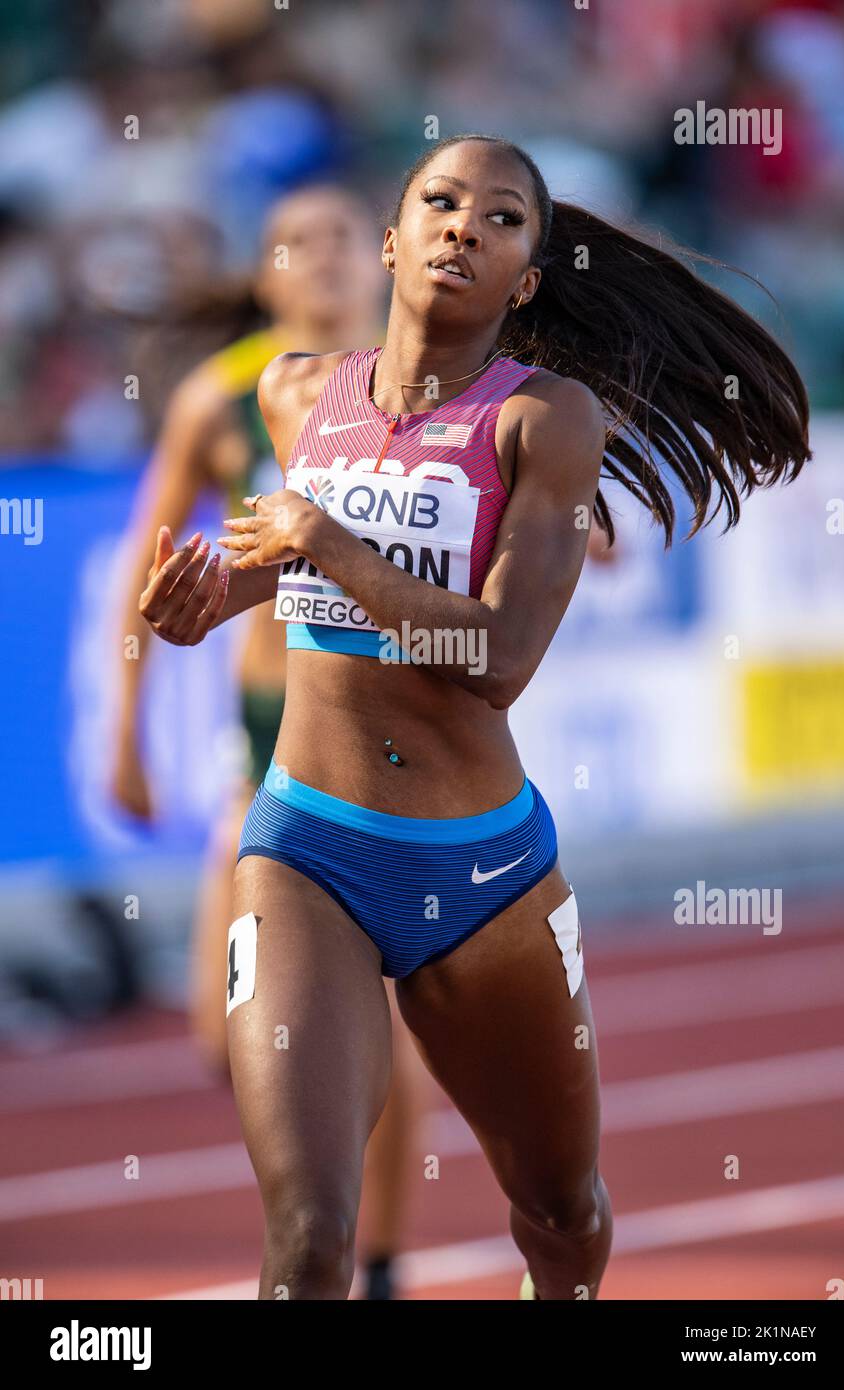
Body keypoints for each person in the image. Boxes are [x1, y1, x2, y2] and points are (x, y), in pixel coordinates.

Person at [137, 133, 810, 1300]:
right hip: (304, 848)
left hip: (481, 873)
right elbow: (278, 572)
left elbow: (493, 658)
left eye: (500, 220)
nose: (462, 227)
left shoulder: (543, 424)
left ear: (526, 279)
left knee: (559, 1213)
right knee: (305, 1239)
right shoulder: (297, 390)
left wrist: (326, 544)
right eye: (439, 204)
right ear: (391, 242)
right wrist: (207, 601)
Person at [113, 184, 420, 1299]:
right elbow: (144, 572)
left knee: (362, 1026)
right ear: (266, 272)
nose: (325, 260)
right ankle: (323, 1207)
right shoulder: (221, 399)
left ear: (382, 259)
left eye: (346, 238)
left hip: (385, 740)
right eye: (299, 243)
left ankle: (369, 1258)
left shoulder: (422, 388)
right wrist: (126, 735)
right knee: (228, 1033)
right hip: (260, 737)